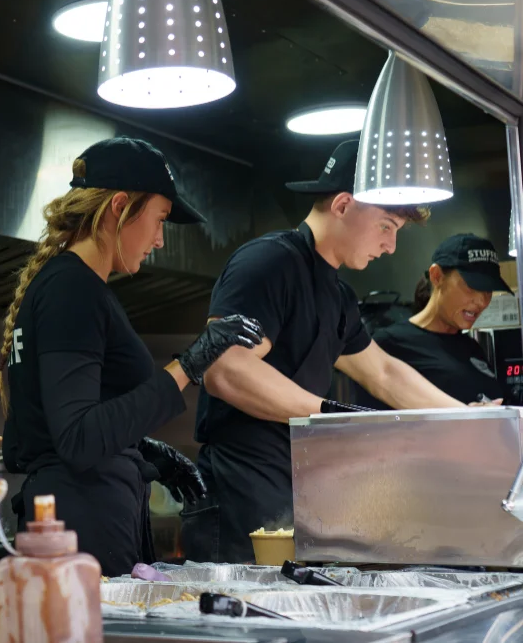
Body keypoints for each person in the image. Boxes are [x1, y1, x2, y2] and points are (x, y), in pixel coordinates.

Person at [183, 139, 489, 564]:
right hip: (240, 491)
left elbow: (383, 373)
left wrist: (471, 419)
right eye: (386, 226)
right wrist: (331, 415)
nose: (391, 247)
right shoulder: (269, 262)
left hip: (296, 491)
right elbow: (226, 368)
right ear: (343, 205)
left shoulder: (338, 294)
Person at [0, 137, 265, 577]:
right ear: (120, 206)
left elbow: (55, 429)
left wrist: (143, 452)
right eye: (159, 219)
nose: (160, 240)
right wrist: (190, 365)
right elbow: (78, 439)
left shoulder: (66, 285)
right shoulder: (73, 289)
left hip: (82, 518)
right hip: (85, 528)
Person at [354, 234, 510, 407]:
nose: (482, 302)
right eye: (472, 287)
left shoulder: (472, 347)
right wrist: (464, 418)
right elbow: (373, 426)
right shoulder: (388, 344)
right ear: (437, 276)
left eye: (488, 291)